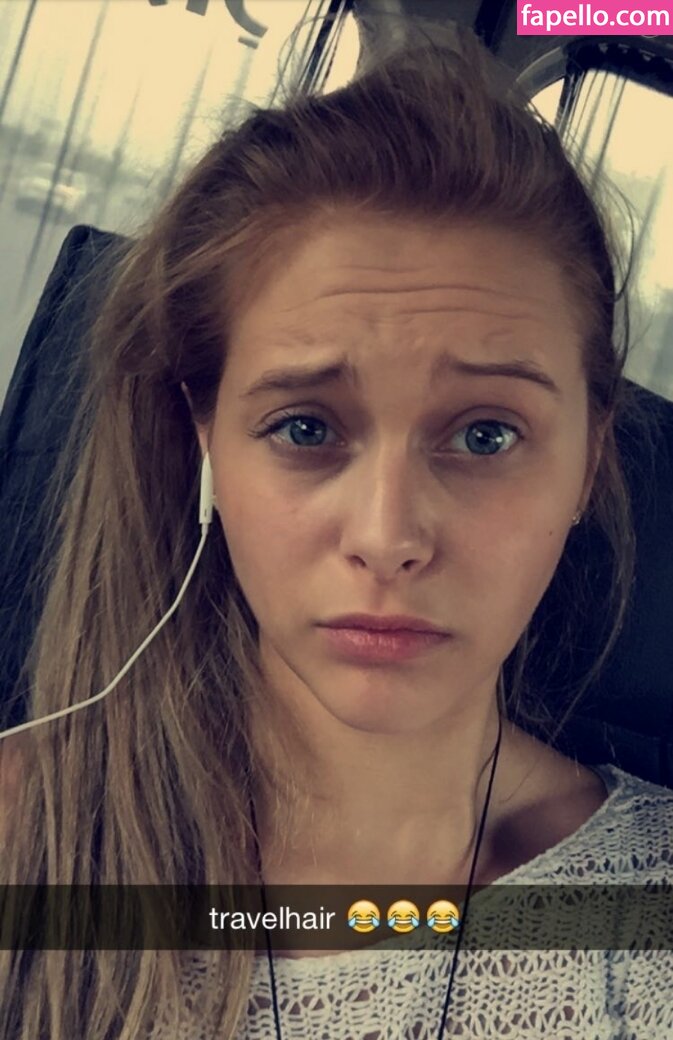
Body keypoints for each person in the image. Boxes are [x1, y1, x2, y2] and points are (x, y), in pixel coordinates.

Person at [0, 22, 671, 1040]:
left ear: (587, 462)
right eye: (305, 427)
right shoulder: (26, 842)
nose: (388, 535)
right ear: (206, 441)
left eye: (485, 434)